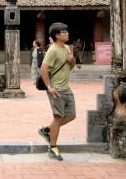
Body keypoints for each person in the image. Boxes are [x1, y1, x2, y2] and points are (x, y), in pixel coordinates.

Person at [38, 22, 76, 161]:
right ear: (57, 35)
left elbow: (70, 67)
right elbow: (44, 68)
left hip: (66, 87)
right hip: (56, 89)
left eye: (66, 31)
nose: (67, 33)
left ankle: (47, 130)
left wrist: (72, 60)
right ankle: (52, 148)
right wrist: (50, 87)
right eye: (64, 32)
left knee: (71, 115)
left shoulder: (66, 47)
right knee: (58, 117)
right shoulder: (52, 50)